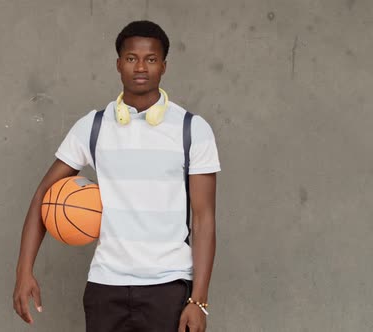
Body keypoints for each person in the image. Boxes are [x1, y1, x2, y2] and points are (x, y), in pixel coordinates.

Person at [13, 20, 220, 332]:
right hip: (104, 287)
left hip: (169, 288)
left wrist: (199, 300)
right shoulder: (93, 127)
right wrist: (23, 271)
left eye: (151, 59)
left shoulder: (193, 130)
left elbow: (204, 219)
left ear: (163, 66)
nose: (141, 67)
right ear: (118, 64)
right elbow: (45, 193)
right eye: (131, 58)